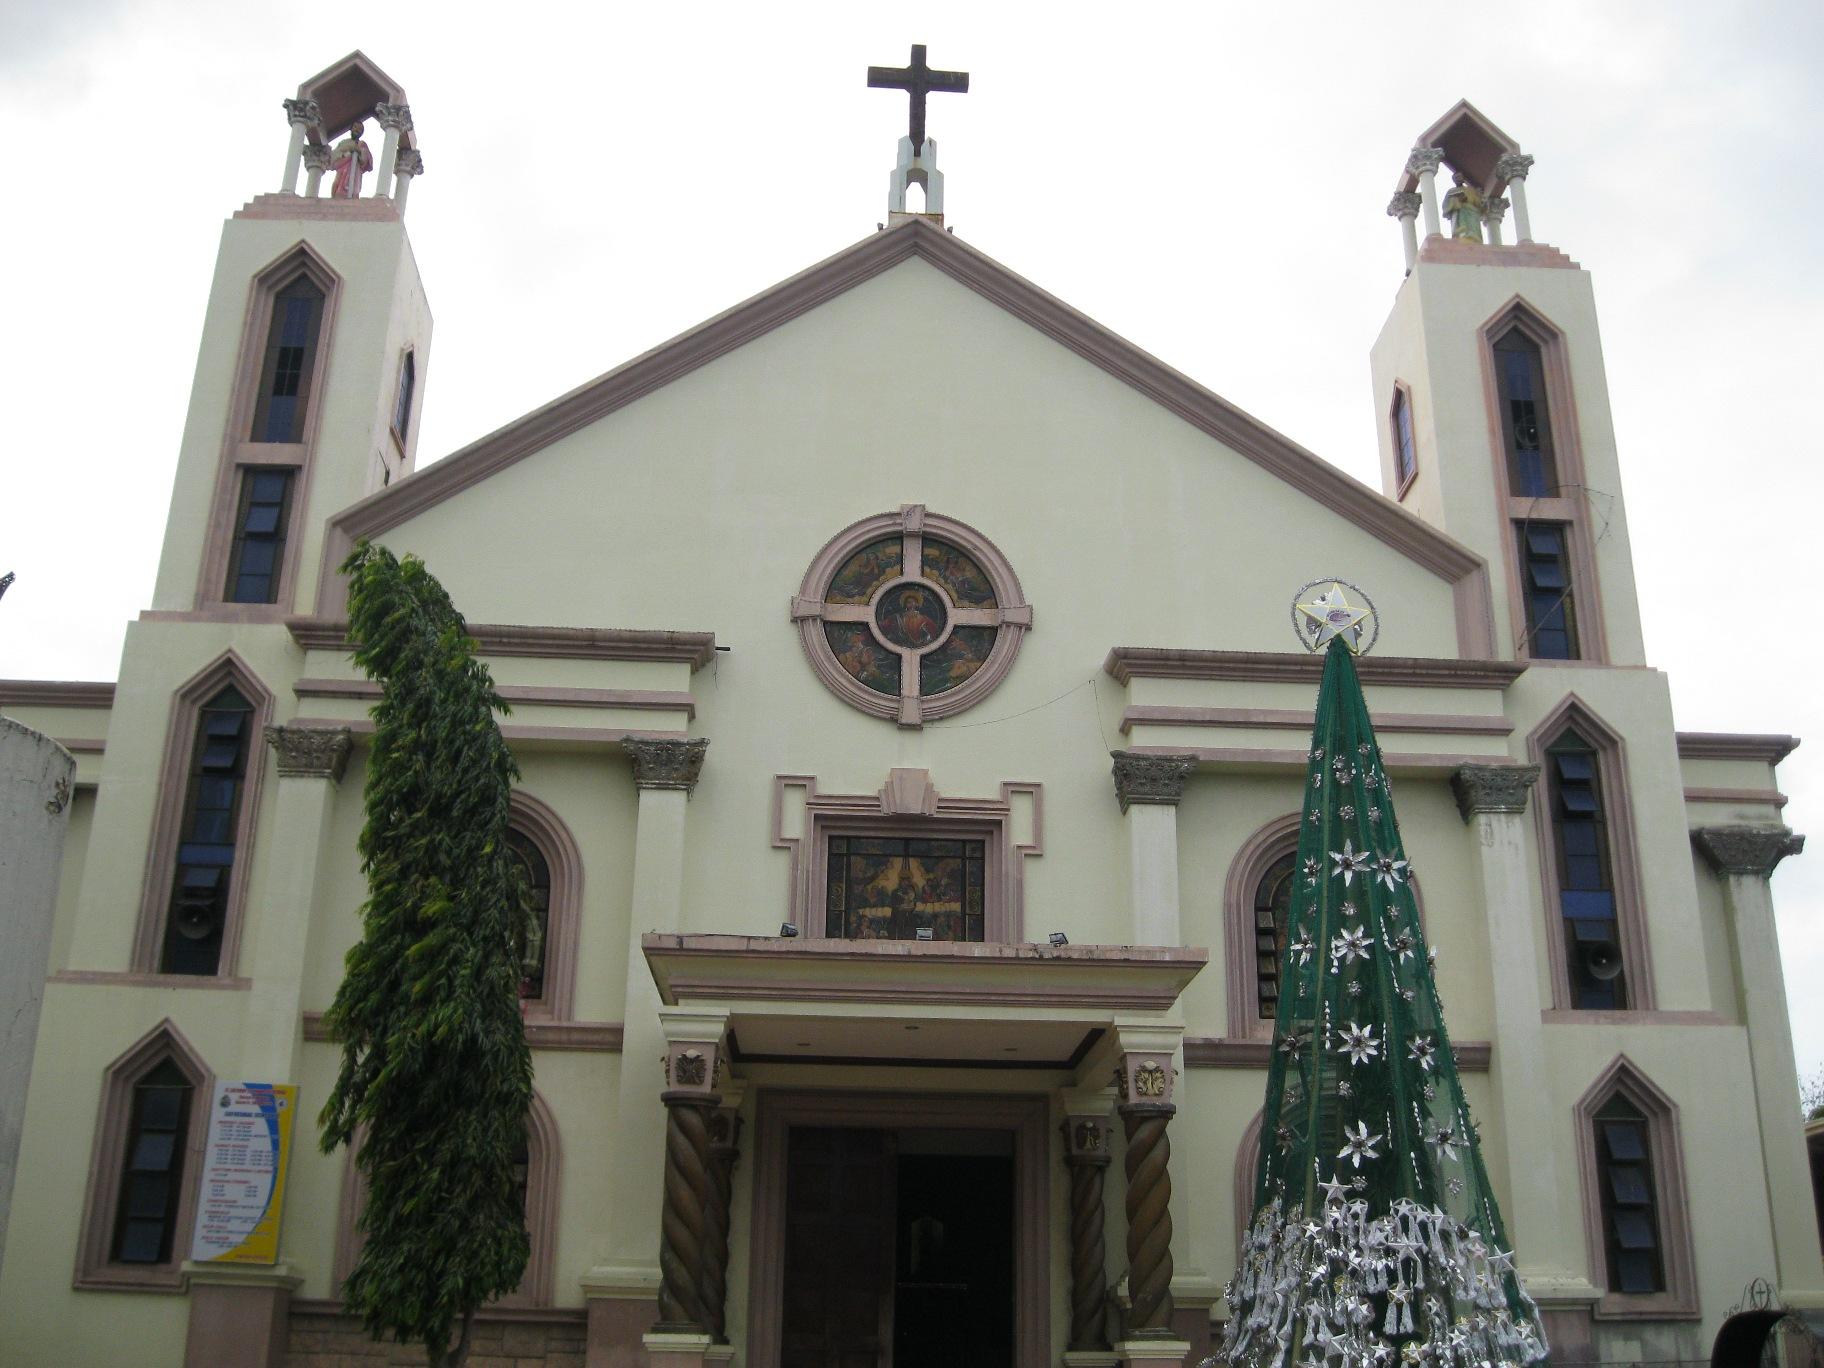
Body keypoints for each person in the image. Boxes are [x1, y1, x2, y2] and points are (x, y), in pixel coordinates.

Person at [329, 121, 373, 198]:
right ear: (351, 129)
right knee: (337, 183)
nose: (357, 130)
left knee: (354, 188)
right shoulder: (344, 143)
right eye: (355, 127)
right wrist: (349, 151)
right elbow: (335, 155)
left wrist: (359, 152)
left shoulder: (362, 145)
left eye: (360, 129)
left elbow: (365, 161)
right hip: (343, 169)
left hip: (355, 172)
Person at [1441, 171, 1485, 242]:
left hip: (1472, 215)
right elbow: (1445, 205)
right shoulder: (1451, 191)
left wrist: (1476, 198)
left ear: (1463, 178)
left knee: (1473, 234)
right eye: (1456, 178)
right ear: (1454, 180)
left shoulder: (1470, 190)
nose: (1458, 179)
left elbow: (1477, 203)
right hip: (1459, 213)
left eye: (1460, 177)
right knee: (1462, 233)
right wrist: (1456, 201)